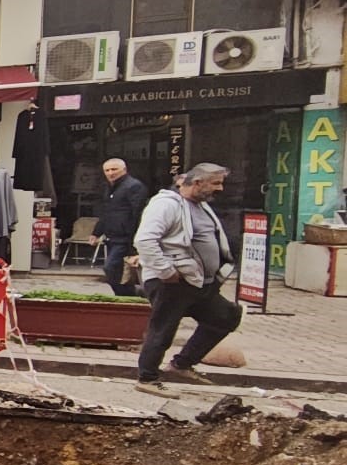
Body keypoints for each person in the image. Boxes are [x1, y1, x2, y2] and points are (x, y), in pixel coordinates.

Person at [132, 162, 242, 399]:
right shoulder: (166, 204)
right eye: (216, 183)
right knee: (163, 328)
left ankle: (181, 365)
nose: (220, 189)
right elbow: (145, 240)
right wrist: (166, 271)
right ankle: (147, 378)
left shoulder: (200, 205)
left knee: (225, 316)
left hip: (198, 282)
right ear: (198, 182)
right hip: (172, 281)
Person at [93, 158, 148, 296]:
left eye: (114, 169)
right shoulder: (109, 188)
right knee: (115, 270)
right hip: (112, 235)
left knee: (111, 267)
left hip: (125, 236)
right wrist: (96, 232)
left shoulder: (134, 186)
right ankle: (125, 294)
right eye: (107, 170)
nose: (111, 173)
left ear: (124, 170)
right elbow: (106, 212)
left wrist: (134, 241)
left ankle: (130, 294)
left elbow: (137, 213)